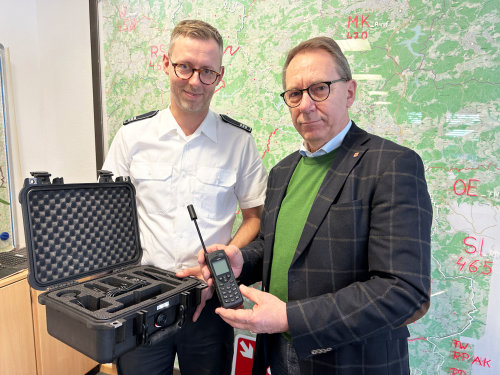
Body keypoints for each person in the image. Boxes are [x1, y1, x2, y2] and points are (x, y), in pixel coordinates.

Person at [199, 36, 432, 374]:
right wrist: (241, 261)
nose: (305, 105)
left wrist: (290, 317)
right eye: (294, 94)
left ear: (349, 92)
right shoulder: (282, 171)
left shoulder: (392, 165)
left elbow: (403, 291)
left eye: (319, 89)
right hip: (279, 354)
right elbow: (276, 248)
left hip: (352, 362)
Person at [102, 19, 267, 375]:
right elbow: (107, 216)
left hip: (209, 297)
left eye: (207, 71)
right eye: (185, 67)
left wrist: (222, 259)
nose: (195, 81)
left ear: (219, 76)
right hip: (140, 299)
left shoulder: (239, 142)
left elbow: (255, 216)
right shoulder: (132, 137)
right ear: (166, 64)